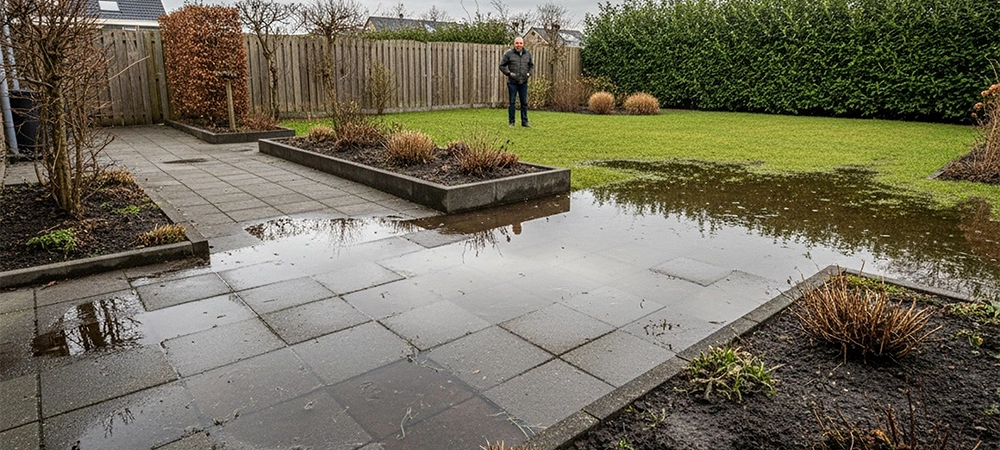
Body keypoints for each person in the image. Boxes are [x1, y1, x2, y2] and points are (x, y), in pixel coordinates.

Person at [499, 37, 534, 127]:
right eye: (517, 43)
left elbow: (531, 65)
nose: (519, 45)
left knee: (524, 103)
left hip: (524, 82)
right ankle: (512, 122)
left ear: (523, 44)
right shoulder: (509, 54)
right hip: (512, 82)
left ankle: (525, 122)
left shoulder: (528, 54)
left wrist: (529, 73)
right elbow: (502, 66)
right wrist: (508, 73)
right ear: (514, 44)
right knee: (512, 102)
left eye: (520, 43)